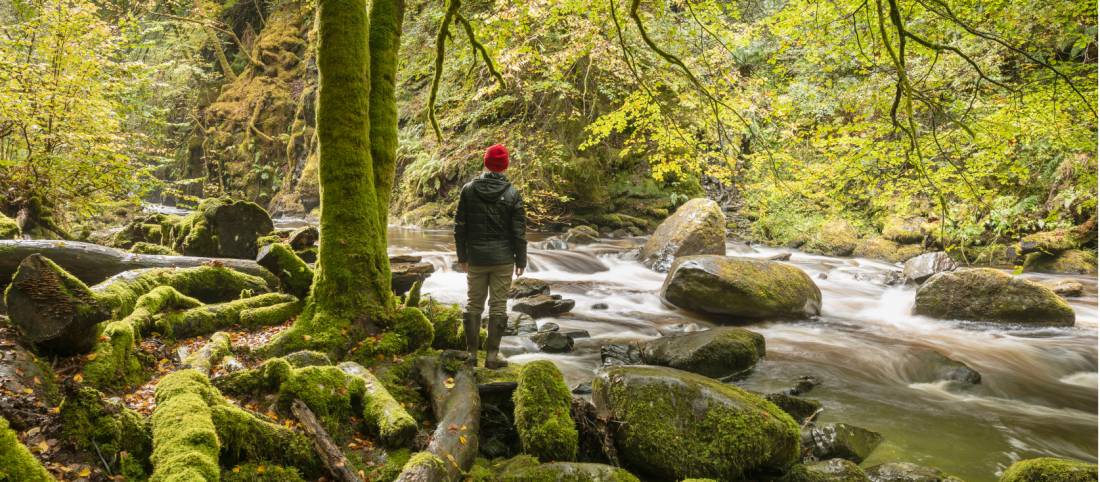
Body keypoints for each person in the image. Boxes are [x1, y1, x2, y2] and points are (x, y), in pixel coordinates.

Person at [454, 144, 527, 368]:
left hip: (476, 257)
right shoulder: (512, 193)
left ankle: (472, 356)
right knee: (498, 306)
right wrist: (521, 260)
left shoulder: (468, 189)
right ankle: (493, 357)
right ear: (505, 166)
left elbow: (460, 227)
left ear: (485, 163)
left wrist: (462, 256)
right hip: (503, 258)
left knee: (473, 304)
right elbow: (519, 231)